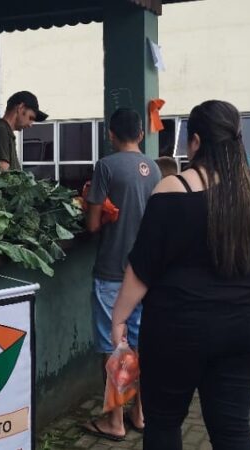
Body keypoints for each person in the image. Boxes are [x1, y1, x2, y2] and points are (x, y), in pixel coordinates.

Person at [111, 100, 250, 449]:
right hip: (248, 325)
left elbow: (142, 269)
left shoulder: (172, 190)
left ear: (195, 141)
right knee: (232, 427)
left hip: (179, 326)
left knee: (165, 422)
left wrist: (119, 318)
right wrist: (243, 264)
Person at [81, 108, 161, 442]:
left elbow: (94, 225)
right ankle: (140, 414)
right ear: (141, 134)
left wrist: (91, 207)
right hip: (146, 272)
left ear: (111, 134)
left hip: (113, 270)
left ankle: (115, 420)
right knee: (140, 345)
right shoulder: (155, 169)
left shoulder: (106, 166)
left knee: (116, 346)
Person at [0, 91, 48, 179]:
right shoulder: (0, 131)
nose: (30, 124)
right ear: (20, 108)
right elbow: (5, 174)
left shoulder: (6, 132)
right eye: (31, 118)